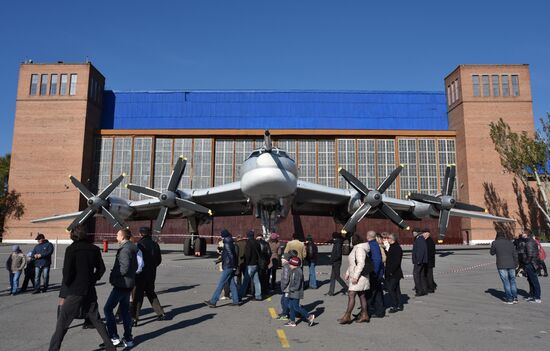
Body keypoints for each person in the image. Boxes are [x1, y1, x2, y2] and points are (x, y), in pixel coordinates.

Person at [48, 227, 115, 351]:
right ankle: (110, 347)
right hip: (89, 289)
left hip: (75, 289)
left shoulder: (72, 249)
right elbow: (101, 269)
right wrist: (93, 279)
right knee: (96, 319)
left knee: (62, 322)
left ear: (73, 236)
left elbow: (67, 271)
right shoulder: (94, 249)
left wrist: (68, 284)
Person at [104, 228, 138, 348]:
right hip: (129, 284)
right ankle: (128, 339)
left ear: (123, 237)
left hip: (121, 284)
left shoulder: (125, 249)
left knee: (107, 309)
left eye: (118, 234)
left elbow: (123, 268)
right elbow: (136, 266)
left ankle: (114, 337)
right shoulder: (133, 248)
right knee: (125, 312)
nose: (116, 236)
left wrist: (114, 274)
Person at [132, 227, 165, 326]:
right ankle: (161, 313)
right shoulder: (155, 244)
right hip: (152, 273)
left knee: (138, 296)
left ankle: (134, 318)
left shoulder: (140, 244)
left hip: (141, 273)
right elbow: (159, 260)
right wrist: (153, 266)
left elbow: (137, 260)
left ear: (140, 234)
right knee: (151, 293)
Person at [338, 233, 371, 324]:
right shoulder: (357, 248)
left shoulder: (359, 249)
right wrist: (348, 272)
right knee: (361, 295)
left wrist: (355, 277)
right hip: (358, 276)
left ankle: (347, 316)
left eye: (351, 240)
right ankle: (365, 315)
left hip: (359, 277)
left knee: (351, 294)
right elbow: (353, 263)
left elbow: (360, 264)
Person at [205, 229, 241, 307]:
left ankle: (213, 301)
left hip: (228, 266)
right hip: (230, 265)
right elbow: (228, 255)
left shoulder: (227, 242)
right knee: (232, 284)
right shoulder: (231, 241)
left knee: (221, 283)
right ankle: (236, 301)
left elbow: (230, 255)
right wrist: (219, 260)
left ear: (224, 236)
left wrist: (233, 265)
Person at [282, 257, 315, 327]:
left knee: (296, 307)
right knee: (291, 307)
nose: (289, 265)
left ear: (295, 265)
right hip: (293, 292)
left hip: (296, 292)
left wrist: (290, 289)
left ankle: (309, 316)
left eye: (291, 264)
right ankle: (292, 321)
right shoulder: (294, 270)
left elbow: (297, 284)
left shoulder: (297, 272)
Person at [490, 231, 518, 304]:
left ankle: (509, 299)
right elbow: (515, 254)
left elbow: (492, 253)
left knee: (506, 281)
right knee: (512, 281)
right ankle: (515, 297)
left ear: (497, 236)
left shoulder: (495, 243)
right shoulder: (510, 243)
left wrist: (494, 247)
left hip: (501, 265)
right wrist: (516, 264)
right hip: (512, 264)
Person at [366, 231, 385, 318]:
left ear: (368, 236)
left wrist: (375, 272)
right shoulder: (374, 244)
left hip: (375, 273)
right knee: (377, 293)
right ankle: (380, 312)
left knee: (371, 293)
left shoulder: (372, 245)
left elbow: (377, 260)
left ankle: (366, 311)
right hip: (378, 273)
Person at [239, 230, 262, 301]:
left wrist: (246, 262)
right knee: (257, 281)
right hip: (256, 263)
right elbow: (259, 252)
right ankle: (258, 296)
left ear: (247, 236)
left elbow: (248, 254)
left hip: (250, 264)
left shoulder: (248, 243)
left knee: (245, 281)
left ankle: (240, 296)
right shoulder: (257, 242)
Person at [385, 233, 404, 313]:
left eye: (388, 238)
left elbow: (396, 262)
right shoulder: (393, 247)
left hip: (394, 273)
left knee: (391, 289)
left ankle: (395, 305)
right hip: (394, 273)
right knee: (396, 290)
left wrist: (391, 272)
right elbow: (390, 257)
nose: (387, 239)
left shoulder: (396, 248)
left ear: (392, 239)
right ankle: (400, 305)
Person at [521, 231, 542, 303]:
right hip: (531, 263)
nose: (522, 234)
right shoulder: (529, 241)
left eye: (523, 233)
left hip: (531, 264)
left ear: (527, 234)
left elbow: (530, 255)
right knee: (530, 281)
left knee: (534, 281)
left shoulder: (529, 242)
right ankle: (532, 296)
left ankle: (537, 297)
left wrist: (526, 262)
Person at [412, 228, 429, 296]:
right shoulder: (420, 239)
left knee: (416, 275)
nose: (413, 234)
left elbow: (421, 251)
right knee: (421, 275)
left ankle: (419, 291)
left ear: (418, 233)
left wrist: (419, 260)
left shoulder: (419, 239)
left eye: (414, 232)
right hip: (421, 261)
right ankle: (424, 290)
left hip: (419, 261)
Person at [276, 253, 293, 320]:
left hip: (287, 288)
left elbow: (286, 279)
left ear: (286, 260)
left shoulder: (286, 267)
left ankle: (285, 314)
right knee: (283, 301)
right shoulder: (287, 265)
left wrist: (283, 287)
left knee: (285, 301)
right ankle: (285, 313)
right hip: (287, 288)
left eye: (282, 258)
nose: (281, 259)